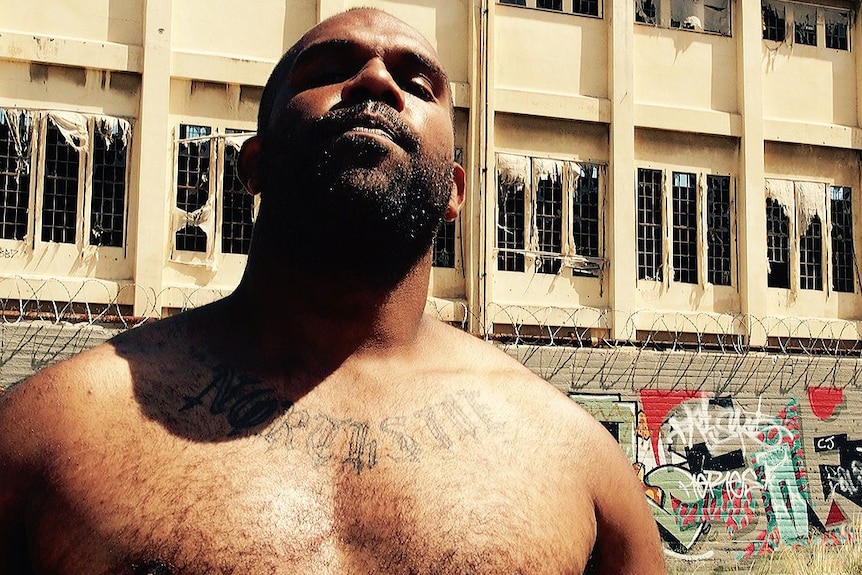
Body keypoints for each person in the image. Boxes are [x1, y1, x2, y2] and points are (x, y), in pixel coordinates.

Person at [0, 8, 665, 575]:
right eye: (327, 71)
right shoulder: (49, 432)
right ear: (253, 165)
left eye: (415, 82)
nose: (375, 80)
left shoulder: (581, 469)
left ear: (457, 190)